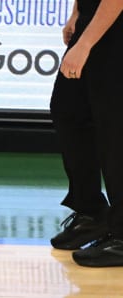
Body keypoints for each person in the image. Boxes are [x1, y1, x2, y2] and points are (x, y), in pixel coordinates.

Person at [49, 0, 123, 267]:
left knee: (115, 128)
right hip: (96, 17)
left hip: (115, 24)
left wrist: (85, 44)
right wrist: (77, 13)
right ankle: (91, 212)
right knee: (68, 111)